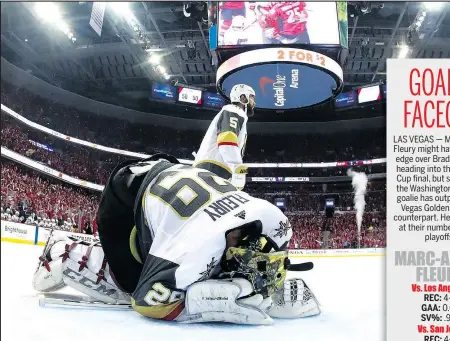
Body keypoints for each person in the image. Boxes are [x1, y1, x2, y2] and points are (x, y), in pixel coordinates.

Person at [32, 155, 320, 325]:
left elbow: (275, 247)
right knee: (131, 283)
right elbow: (148, 302)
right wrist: (212, 302)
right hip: (124, 196)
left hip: (170, 169)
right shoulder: (195, 248)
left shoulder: (274, 219)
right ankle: (62, 252)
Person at [193, 84, 255, 190]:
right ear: (243, 98)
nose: (254, 102)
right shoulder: (234, 110)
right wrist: (239, 169)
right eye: (252, 97)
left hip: (210, 165)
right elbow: (227, 140)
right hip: (214, 167)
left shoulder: (233, 112)